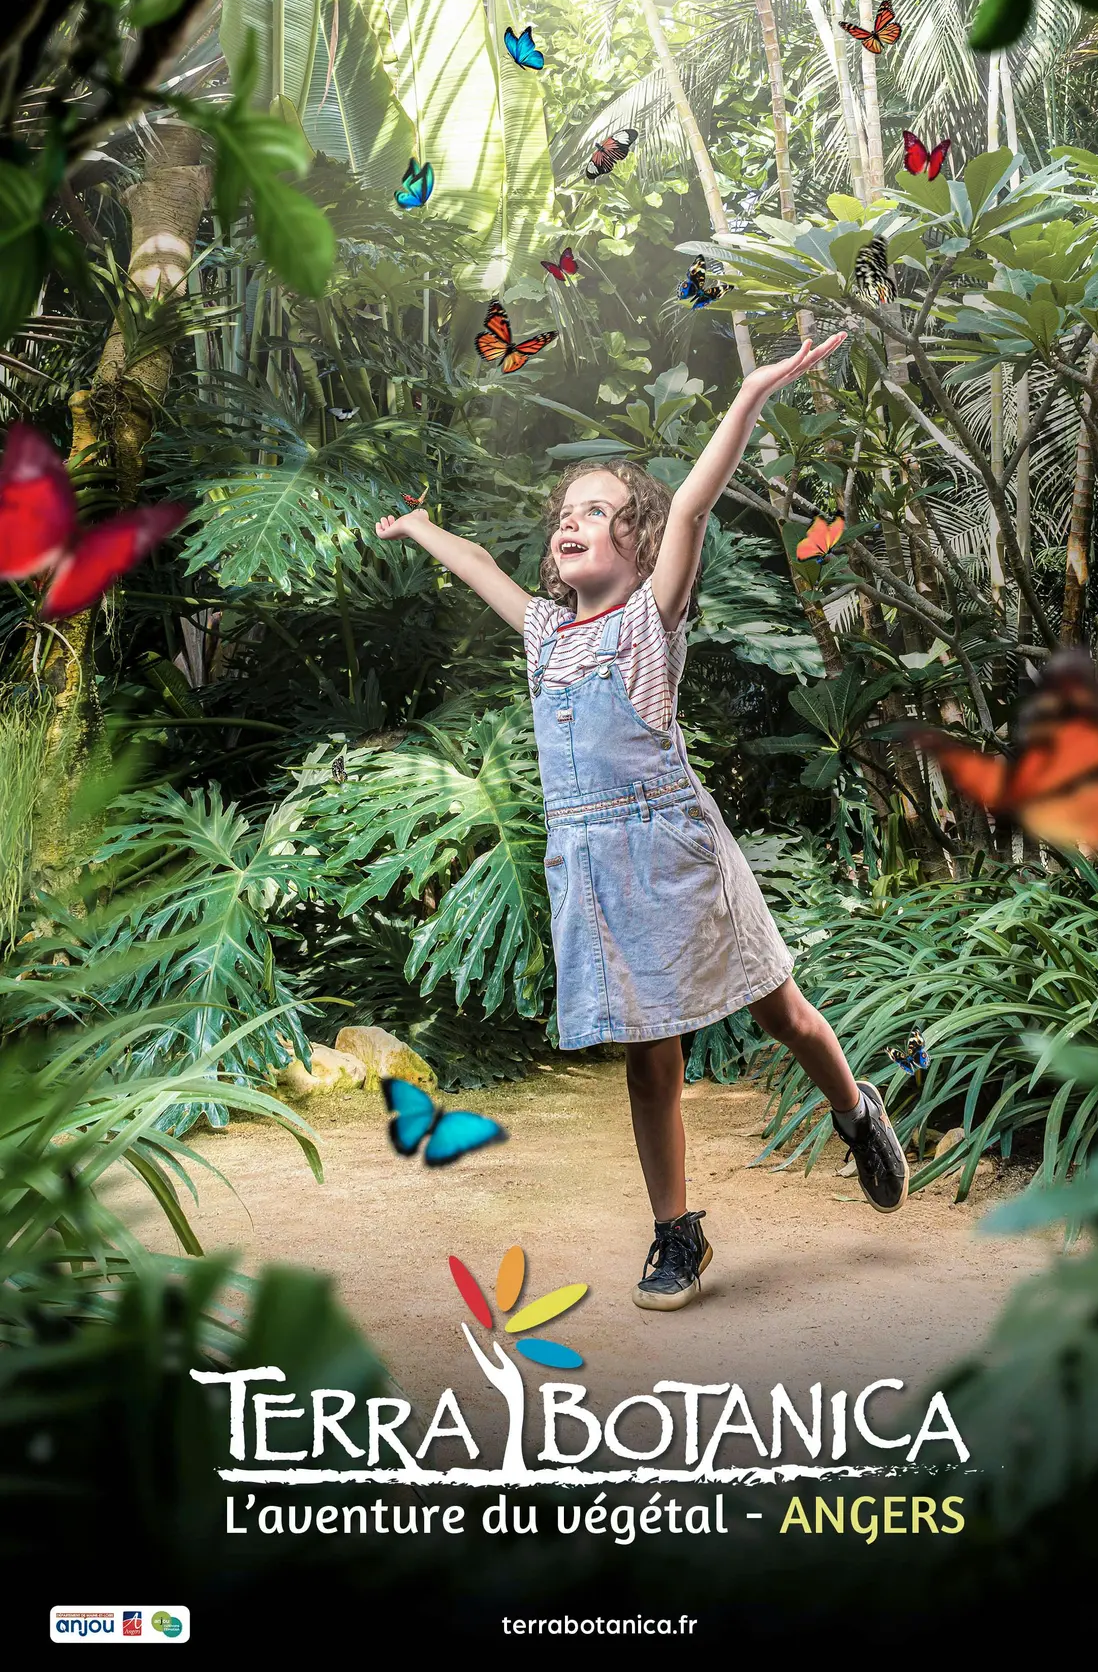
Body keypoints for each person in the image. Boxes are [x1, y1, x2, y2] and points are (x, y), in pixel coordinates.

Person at [375, 337, 908, 1312]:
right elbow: (484, 566)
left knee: (780, 1013)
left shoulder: (647, 621)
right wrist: (420, 528)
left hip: (678, 859)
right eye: (566, 513)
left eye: (598, 512)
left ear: (638, 545)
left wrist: (748, 393)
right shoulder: (544, 632)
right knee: (647, 1060)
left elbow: (696, 502)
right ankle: (676, 1232)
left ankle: (855, 1108)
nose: (571, 523)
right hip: (596, 871)